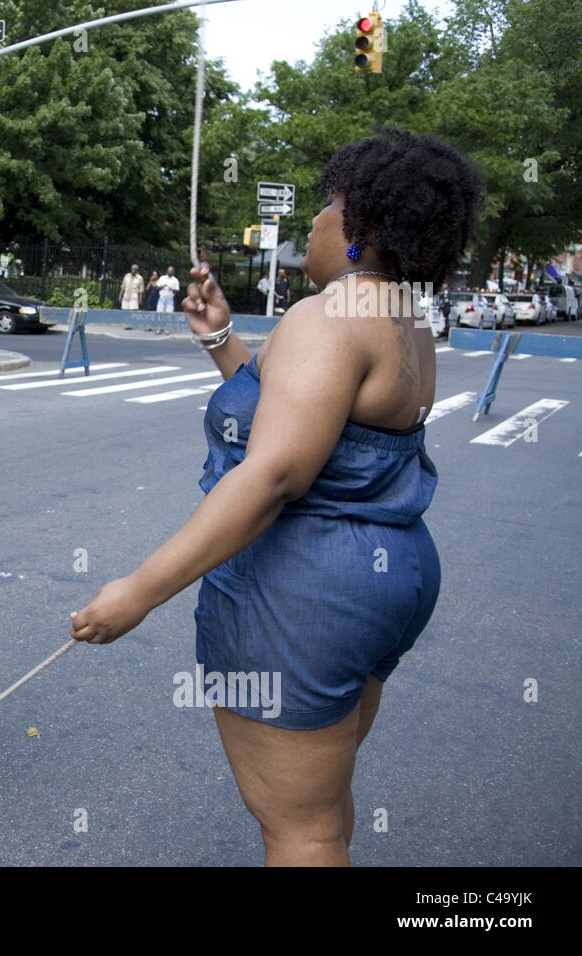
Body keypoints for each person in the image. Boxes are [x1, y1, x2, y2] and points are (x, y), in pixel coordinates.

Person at [70, 128, 482, 865]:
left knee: (300, 831)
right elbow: (303, 412)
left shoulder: (326, 317)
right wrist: (220, 338)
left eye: (326, 209)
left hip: (302, 594)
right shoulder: (404, 319)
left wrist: (138, 591)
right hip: (386, 583)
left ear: (364, 230)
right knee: (322, 810)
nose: (311, 228)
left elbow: (274, 474)